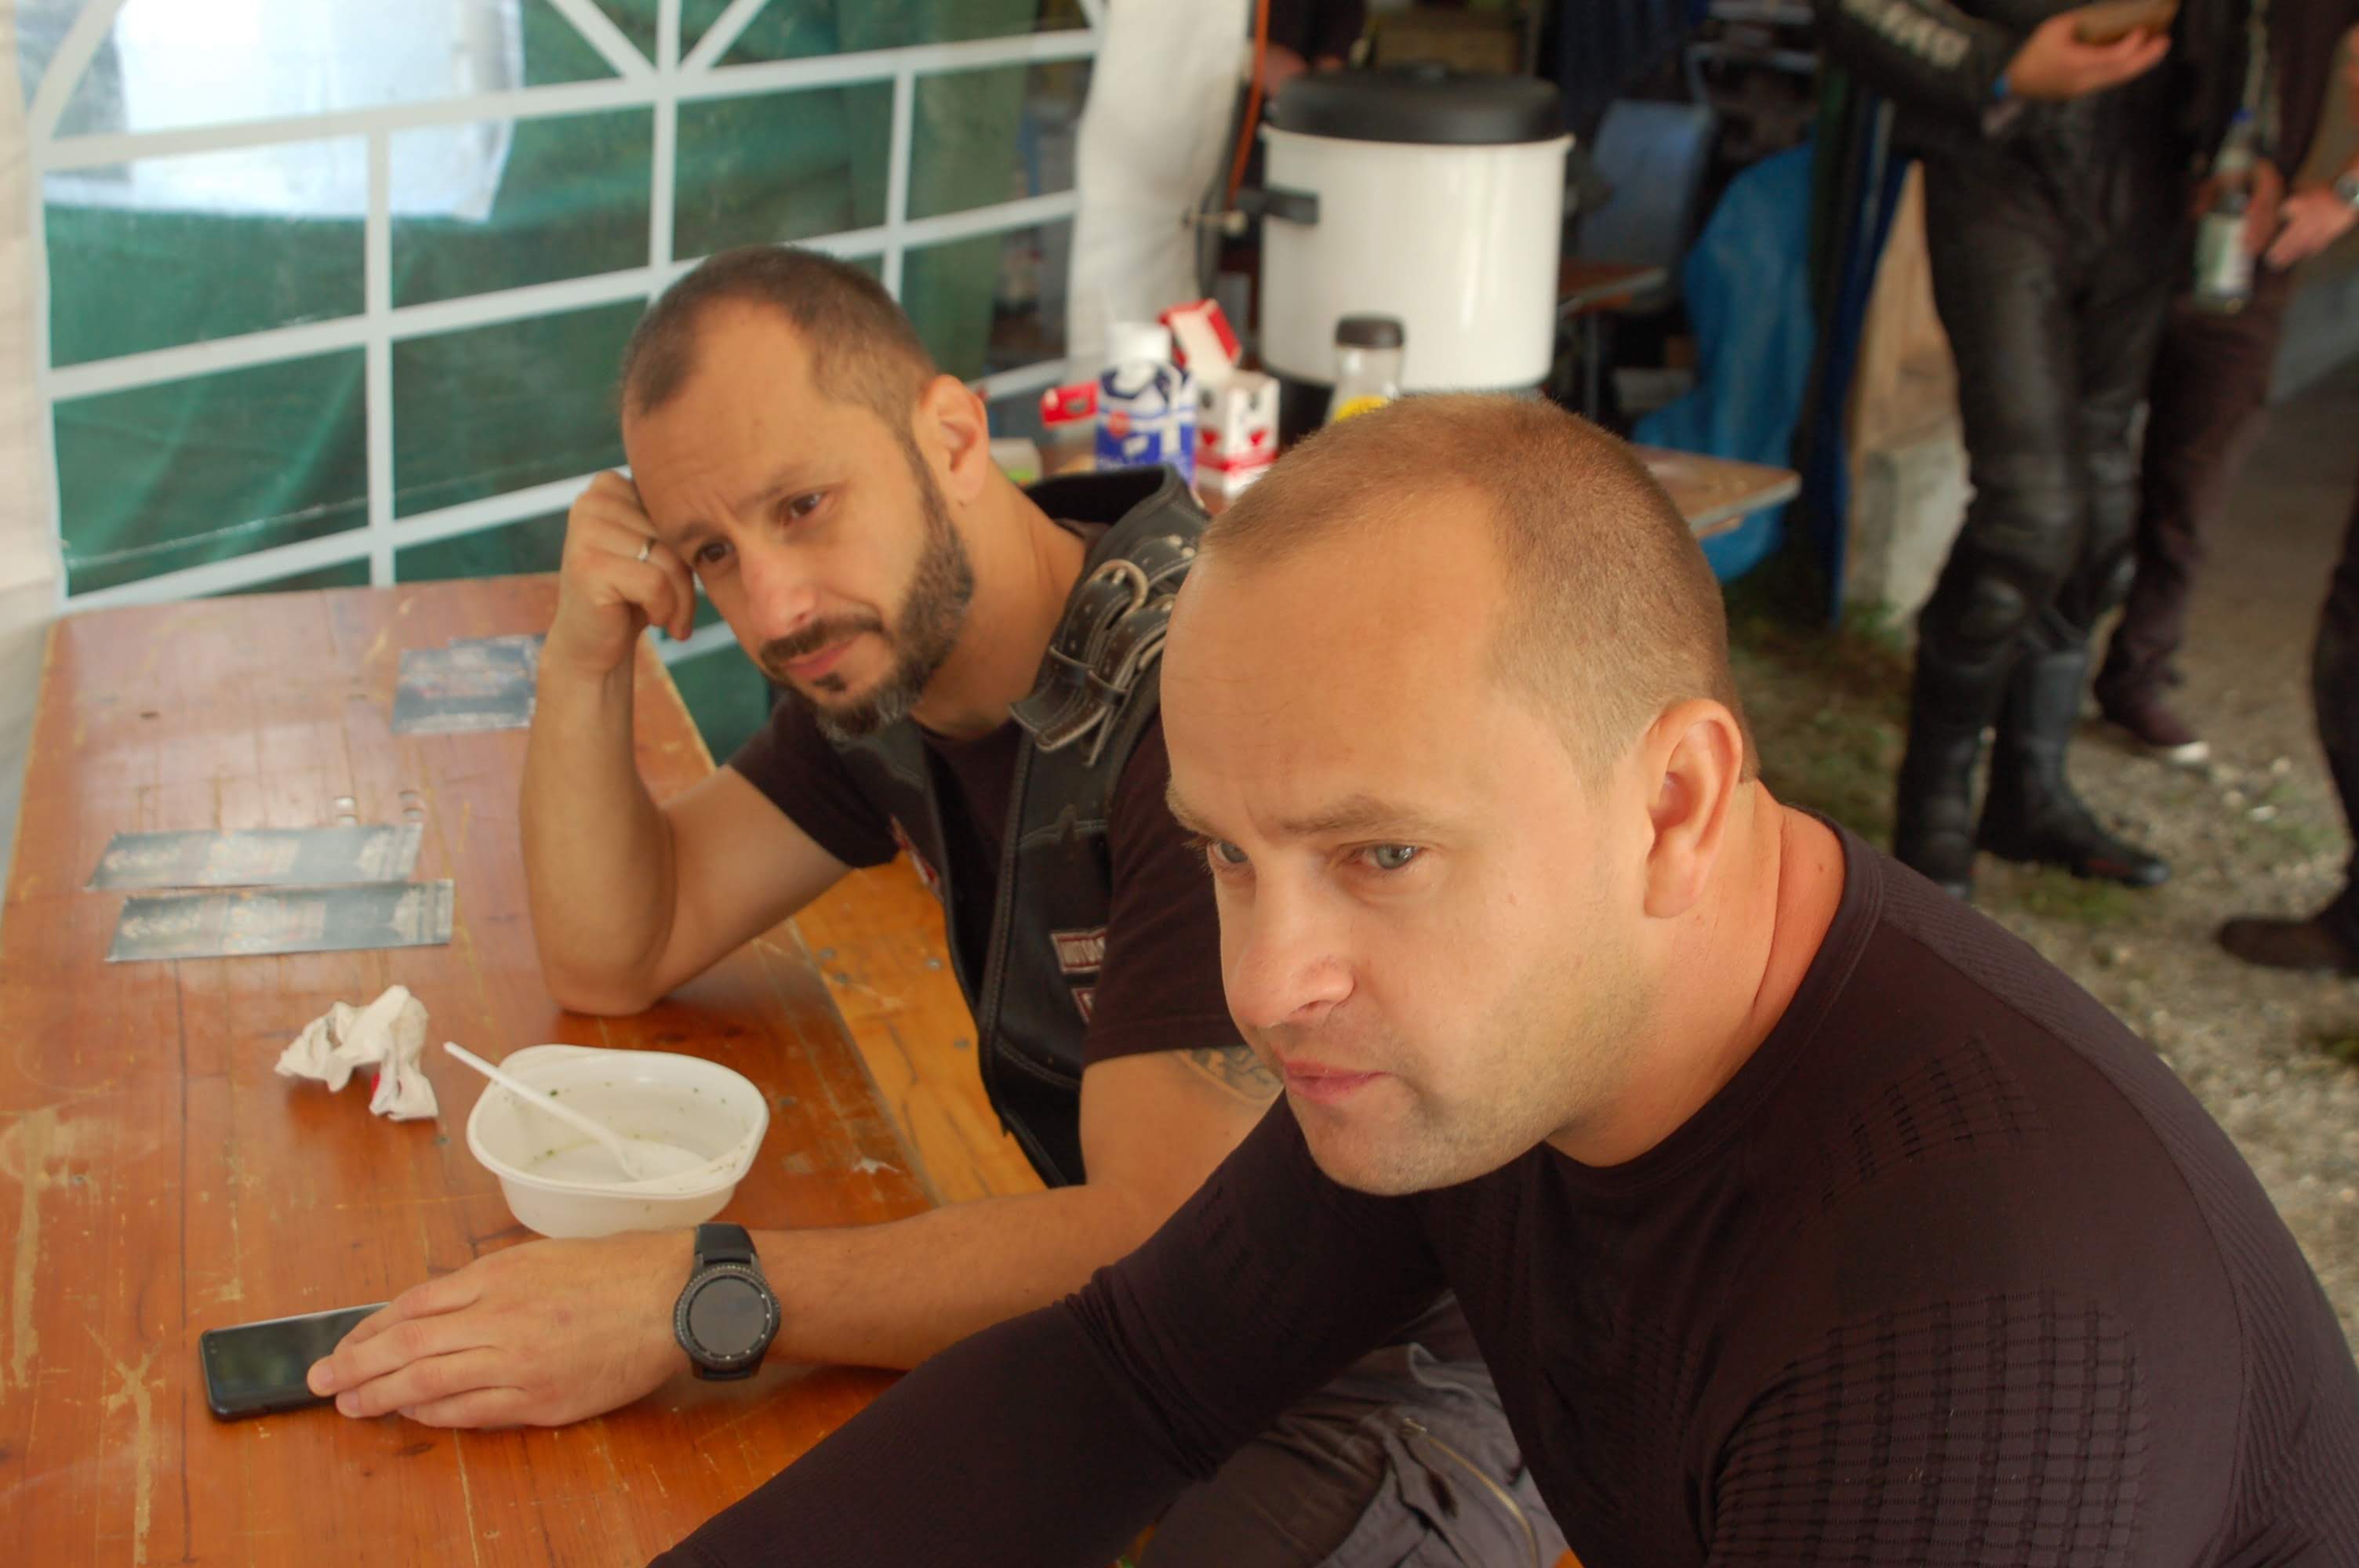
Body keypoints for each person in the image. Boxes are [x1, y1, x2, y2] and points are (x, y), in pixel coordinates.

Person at [649, 396, 2359, 1567]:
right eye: (1226, 855)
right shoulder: (1515, 1026)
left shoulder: (1973, 1342)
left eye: (1380, 852)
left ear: (1673, 804)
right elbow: (1128, 1377)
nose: (1268, 983)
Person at [304, 249, 1561, 1565]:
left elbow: (1163, 1234)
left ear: (955, 437)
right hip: (1135, 1353)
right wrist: (581, 651)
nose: (773, 607)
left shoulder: (1196, 691)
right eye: (712, 553)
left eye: (803, 505)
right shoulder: (889, 664)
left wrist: (697, 1289)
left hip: (1402, 1367)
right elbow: (618, 948)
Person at [1817, 0, 2251, 897]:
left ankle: (2029, 791)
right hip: (2000, 165)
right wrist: (1997, 67)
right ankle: (1931, 816)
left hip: (2152, 164)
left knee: (2099, 516)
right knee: (2028, 515)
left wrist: (2250, 140)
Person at [2096, 12, 2359, 760]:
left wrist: (2344, 193)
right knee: (2081, 476)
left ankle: (2140, 670)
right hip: (2118, 237)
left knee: (2195, 477)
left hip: (2251, 262)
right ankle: (2031, 697)